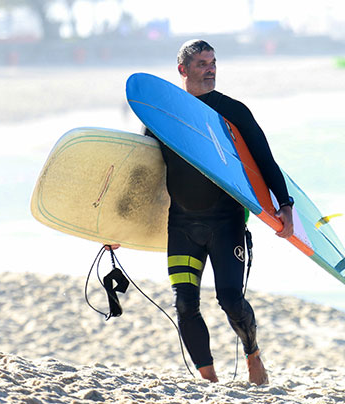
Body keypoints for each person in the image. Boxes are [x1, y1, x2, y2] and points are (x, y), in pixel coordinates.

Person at [113, 39, 294, 385]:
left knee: (229, 298)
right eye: (201, 64)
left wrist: (284, 205)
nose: (210, 69)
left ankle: (253, 352)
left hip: (226, 222)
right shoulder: (161, 117)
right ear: (182, 70)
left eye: (213, 62)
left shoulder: (233, 111)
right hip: (181, 224)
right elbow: (143, 176)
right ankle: (208, 378)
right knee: (184, 304)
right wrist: (117, 228)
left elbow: (264, 160)